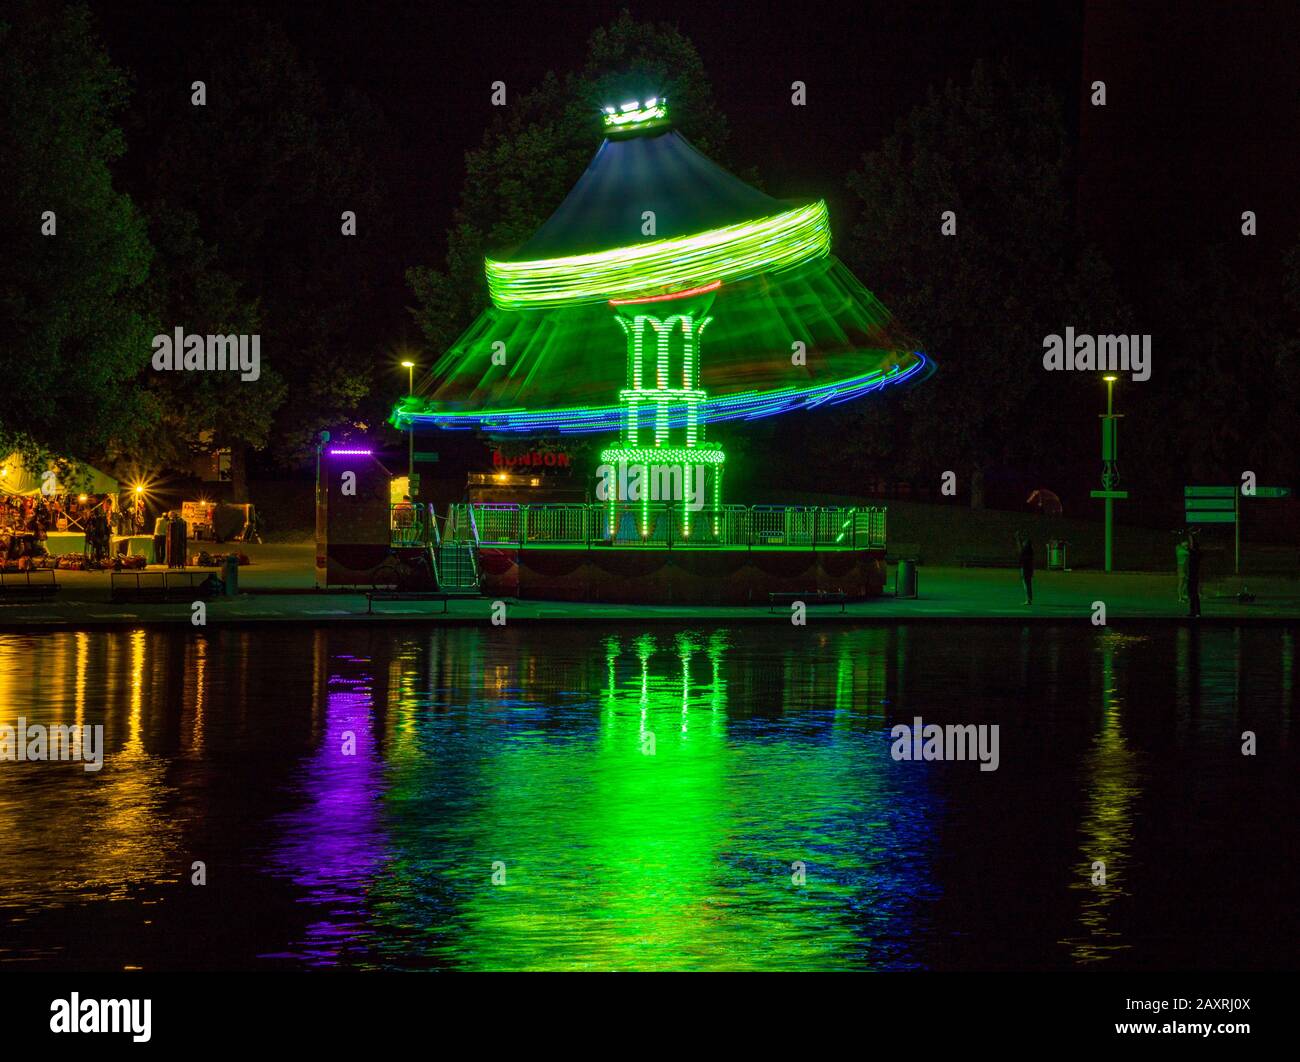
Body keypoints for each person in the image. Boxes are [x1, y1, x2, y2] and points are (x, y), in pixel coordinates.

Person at [1186, 530, 1201, 618]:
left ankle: (1196, 611)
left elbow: (1192, 544)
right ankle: (1194, 611)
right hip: (1192, 575)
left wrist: (1191, 536)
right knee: (1192, 593)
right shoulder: (1194, 553)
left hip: (1194, 576)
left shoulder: (1195, 553)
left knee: (1193, 593)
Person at [1016, 532, 1034, 605]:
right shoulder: (1030, 551)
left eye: (1024, 542)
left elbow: (1019, 547)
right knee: (1029, 584)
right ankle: (1029, 598)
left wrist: (1017, 538)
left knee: (1026, 584)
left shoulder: (1024, 551)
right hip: (1029, 569)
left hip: (1025, 568)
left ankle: (1028, 599)